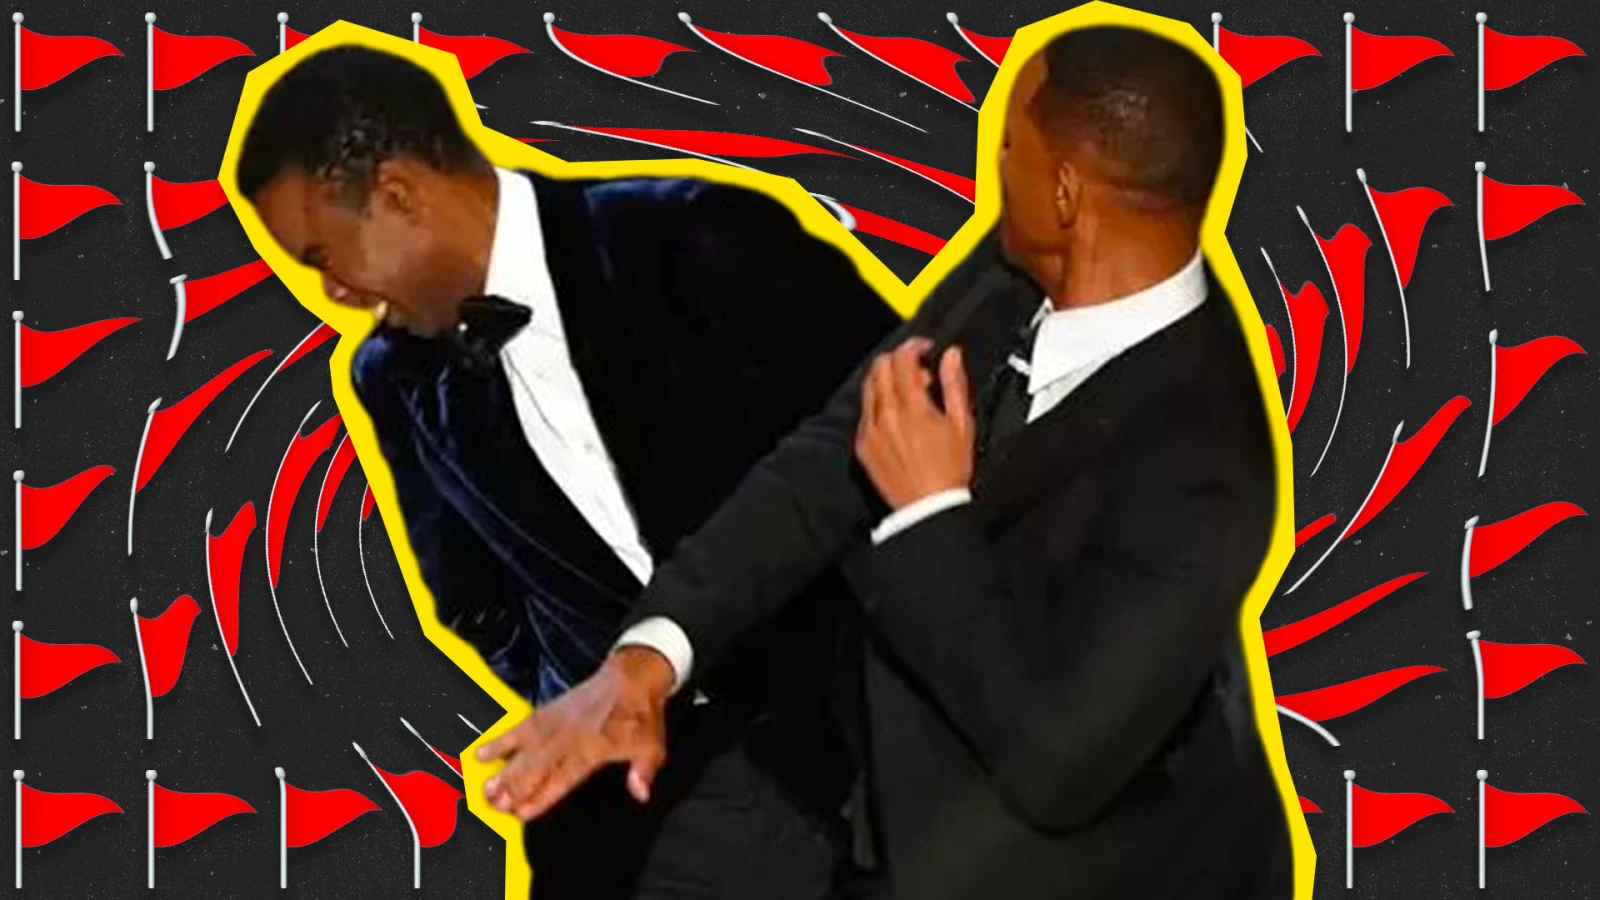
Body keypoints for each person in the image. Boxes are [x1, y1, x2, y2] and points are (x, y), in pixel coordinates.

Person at [476, 25, 1294, 900]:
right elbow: (831, 457)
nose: (992, 165)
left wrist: (929, 515)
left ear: (1065, 192)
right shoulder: (1018, 271)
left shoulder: (1213, 467)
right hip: (878, 815)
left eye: (1007, 143)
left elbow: (1057, 764)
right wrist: (647, 660)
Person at [234, 45, 899, 900]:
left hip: (870, 749)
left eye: (322, 255)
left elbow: (913, 433)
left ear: (398, 195)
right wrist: (590, 691)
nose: (331, 292)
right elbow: (472, 597)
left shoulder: (699, 236)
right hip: (641, 808)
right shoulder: (391, 378)